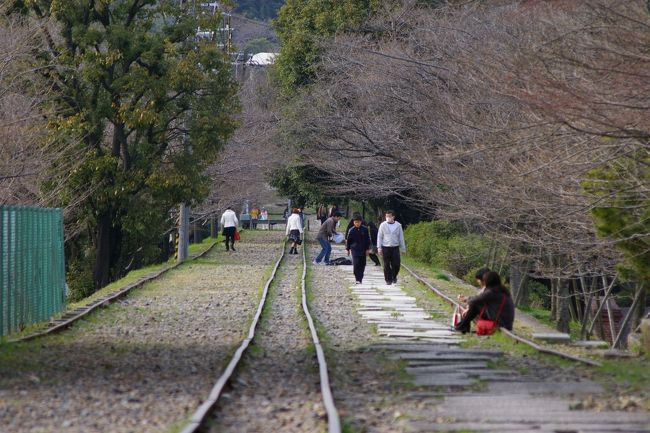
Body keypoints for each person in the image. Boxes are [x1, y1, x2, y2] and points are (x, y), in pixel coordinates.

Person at [377, 210, 406, 285]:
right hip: (385, 247)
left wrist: (403, 248)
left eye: (389, 216)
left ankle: (394, 276)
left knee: (396, 264)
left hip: (395, 247)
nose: (388, 218)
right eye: (386, 216)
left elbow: (401, 237)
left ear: (393, 217)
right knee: (386, 264)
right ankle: (388, 279)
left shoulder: (398, 225)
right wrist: (379, 247)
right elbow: (379, 237)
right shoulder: (383, 225)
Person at [346, 215, 371, 284]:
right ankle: (357, 278)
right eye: (355, 222)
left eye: (358, 222)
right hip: (355, 250)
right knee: (356, 264)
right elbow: (348, 241)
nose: (357, 223)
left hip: (363, 249)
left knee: (362, 264)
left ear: (361, 222)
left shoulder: (365, 229)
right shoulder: (351, 230)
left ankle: (360, 278)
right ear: (353, 222)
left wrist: (367, 249)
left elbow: (368, 240)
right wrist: (347, 249)